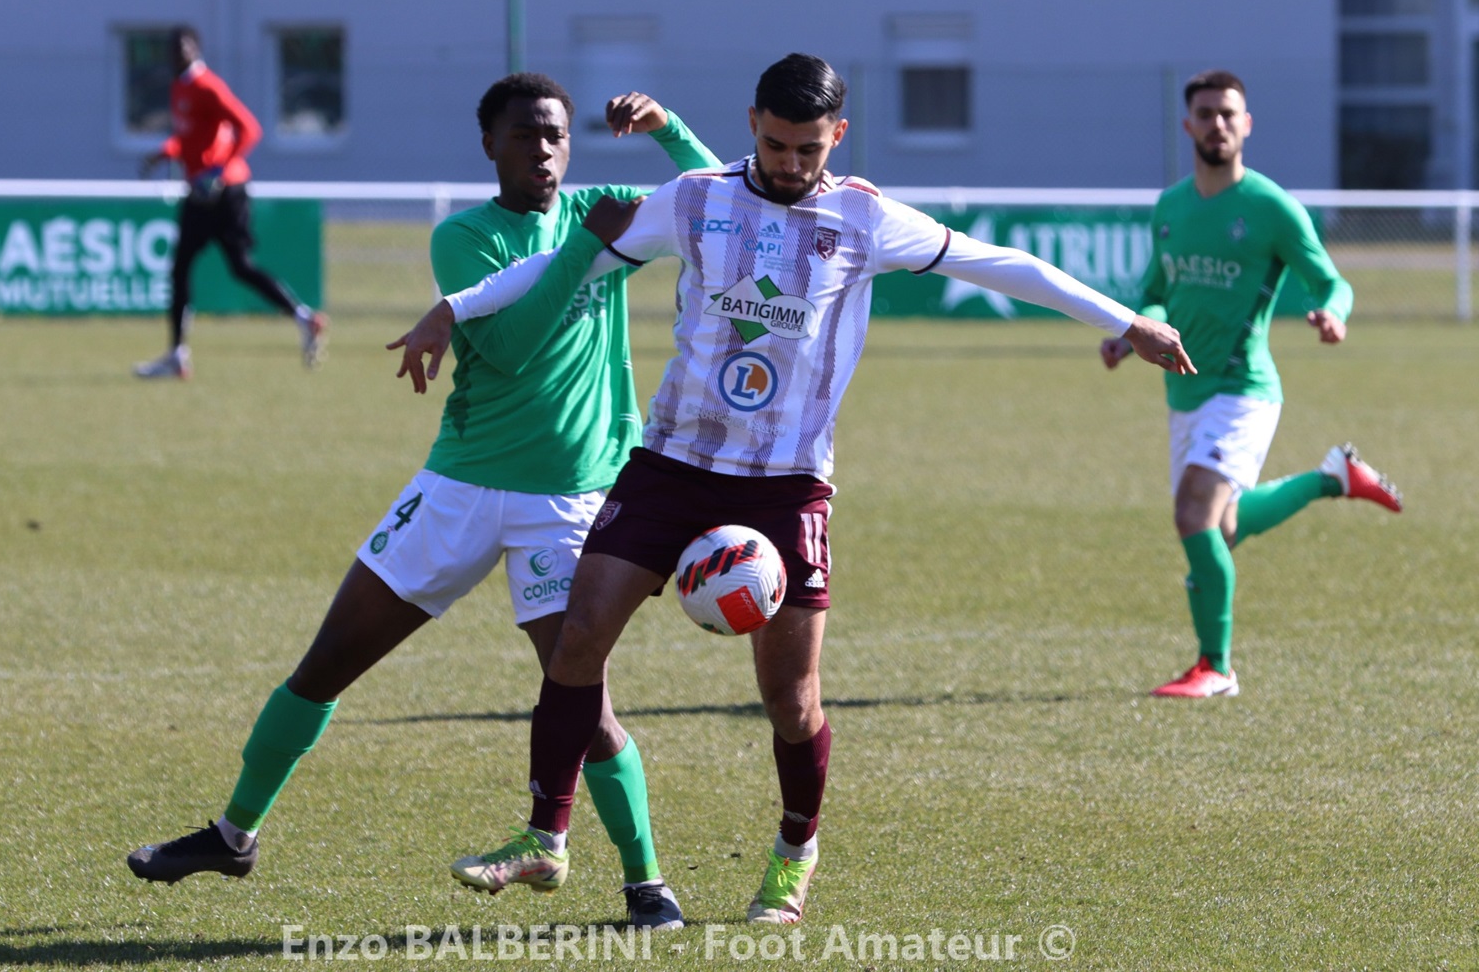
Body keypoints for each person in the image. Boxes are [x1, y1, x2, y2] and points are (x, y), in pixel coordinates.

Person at [392, 53, 1194, 924]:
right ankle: (547, 837)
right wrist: (455, 308)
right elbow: (569, 269)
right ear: (751, 126)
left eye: (807, 148)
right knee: (580, 636)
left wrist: (1128, 321)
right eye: (775, 144)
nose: (788, 162)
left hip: (785, 487)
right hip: (672, 463)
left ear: (837, 137)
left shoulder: (862, 217)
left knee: (791, 699)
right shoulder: (696, 198)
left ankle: (793, 854)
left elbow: (1001, 264)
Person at [125, 72, 722, 931]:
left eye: (555, 134)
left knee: (583, 701)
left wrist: (667, 125)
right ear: (490, 146)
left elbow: (714, 200)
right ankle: (233, 833)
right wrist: (581, 251)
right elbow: (513, 349)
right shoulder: (466, 236)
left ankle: (647, 888)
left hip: (567, 499)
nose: (544, 149)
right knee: (328, 662)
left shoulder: (606, 205)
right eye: (524, 135)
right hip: (461, 488)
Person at [1098, 69, 1402, 699]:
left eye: (1228, 113)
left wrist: (1333, 314)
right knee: (1222, 526)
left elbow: (1330, 280)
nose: (1217, 124)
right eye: (1205, 114)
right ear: (1188, 125)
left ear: (1247, 124)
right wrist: (1129, 332)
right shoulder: (1171, 207)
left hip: (1245, 389)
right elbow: (1155, 292)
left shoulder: (1270, 207)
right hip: (1183, 392)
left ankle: (1216, 667)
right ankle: (1334, 478)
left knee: (1192, 514)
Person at [134, 25, 328, 380]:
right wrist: (163, 154)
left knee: (232, 266)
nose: (179, 53)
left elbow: (250, 128)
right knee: (187, 268)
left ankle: (302, 319)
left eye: (186, 47)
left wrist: (220, 171)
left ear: (197, 49)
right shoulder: (180, 86)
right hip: (201, 190)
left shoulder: (208, 85)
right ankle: (178, 354)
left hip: (225, 192)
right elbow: (188, 137)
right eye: (174, 48)